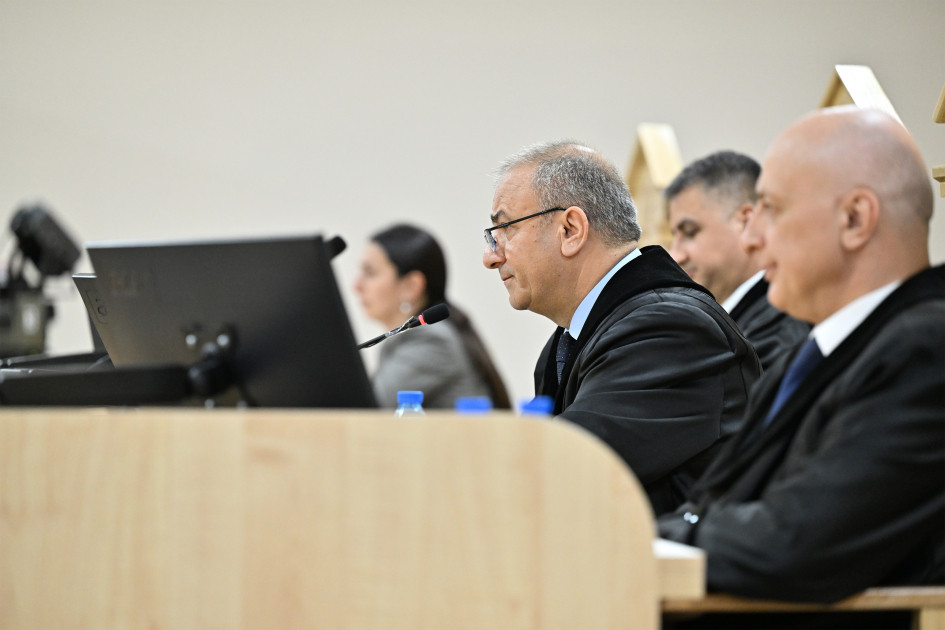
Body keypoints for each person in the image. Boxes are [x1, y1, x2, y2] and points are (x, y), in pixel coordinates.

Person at [658, 107, 944, 610]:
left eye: (771, 208)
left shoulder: (926, 348)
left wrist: (630, 542)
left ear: (854, 219)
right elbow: (714, 503)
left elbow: (796, 539)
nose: (752, 238)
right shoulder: (814, 351)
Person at [482, 141, 761, 516]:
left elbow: (568, 469)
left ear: (570, 230)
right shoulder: (570, 339)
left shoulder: (669, 329)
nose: (490, 257)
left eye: (504, 230)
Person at [665, 150, 810, 370]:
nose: (676, 255)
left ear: (746, 222)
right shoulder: (730, 326)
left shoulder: (778, 333)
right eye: (674, 236)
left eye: (690, 232)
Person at [355, 224, 511, 409]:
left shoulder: (431, 340)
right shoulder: (413, 339)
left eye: (370, 273)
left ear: (411, 286)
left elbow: (364, 409)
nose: (356, 285)